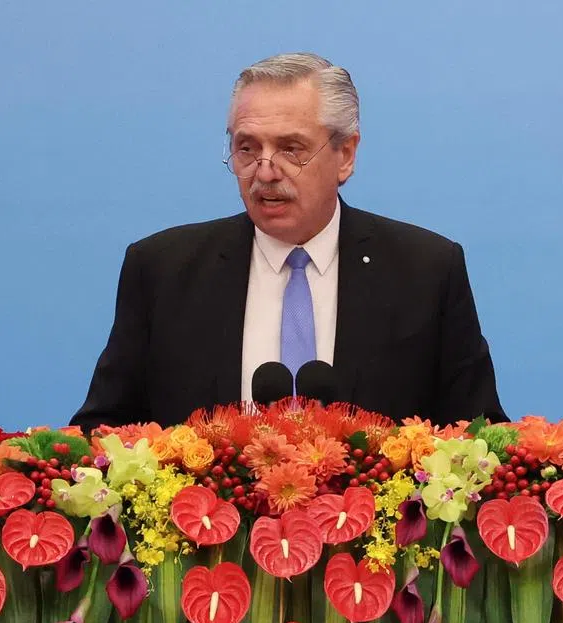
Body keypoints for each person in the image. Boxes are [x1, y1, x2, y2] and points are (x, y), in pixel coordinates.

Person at [71, 52, 506, 429]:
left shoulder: (426, 271)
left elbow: (477, 439)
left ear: (346, 155)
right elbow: (104, 429)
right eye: (247, 148)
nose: (264, 171)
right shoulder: (163, 270)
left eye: (291, 148)